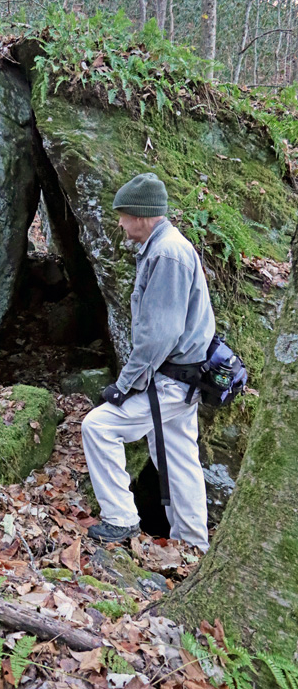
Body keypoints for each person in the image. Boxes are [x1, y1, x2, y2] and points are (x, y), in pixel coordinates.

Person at [81, 172, 215, 552]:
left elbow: (160, 334)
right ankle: (193, 546)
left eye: (123, 215)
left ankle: (121, 519)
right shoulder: (165, 248)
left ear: (141, 215)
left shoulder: (166, 253)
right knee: (176, 457)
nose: (120, 222)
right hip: (182, 379)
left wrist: (125, 386)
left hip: (171, 381)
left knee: (98, 427)